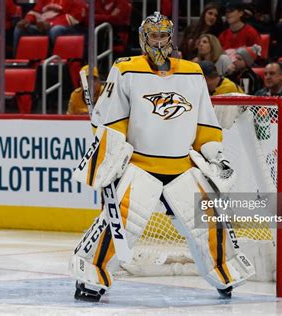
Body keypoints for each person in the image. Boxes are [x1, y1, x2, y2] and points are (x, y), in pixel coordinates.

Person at [70, 12, 253, 302]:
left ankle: (223, 273)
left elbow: (205, 123)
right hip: (140, 165)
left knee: (207, 221)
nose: (159, 41)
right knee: (122, 222)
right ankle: (91, 274)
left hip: (182, 165)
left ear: (172, 39)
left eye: (164, 35)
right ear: (144, 39)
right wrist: (110, 157)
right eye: (154, 35)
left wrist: (215, 155)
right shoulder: (127, 70)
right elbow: (111, 120)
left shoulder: (192, 73)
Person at [13, 0, 87, 54]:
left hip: (69, 28)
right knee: (20, 29)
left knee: (55, 30)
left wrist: (50, 24)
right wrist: (27, 20)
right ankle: (19, 64)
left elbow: (75, 18)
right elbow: (36, 12)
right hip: (43, 26)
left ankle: (57, 63)